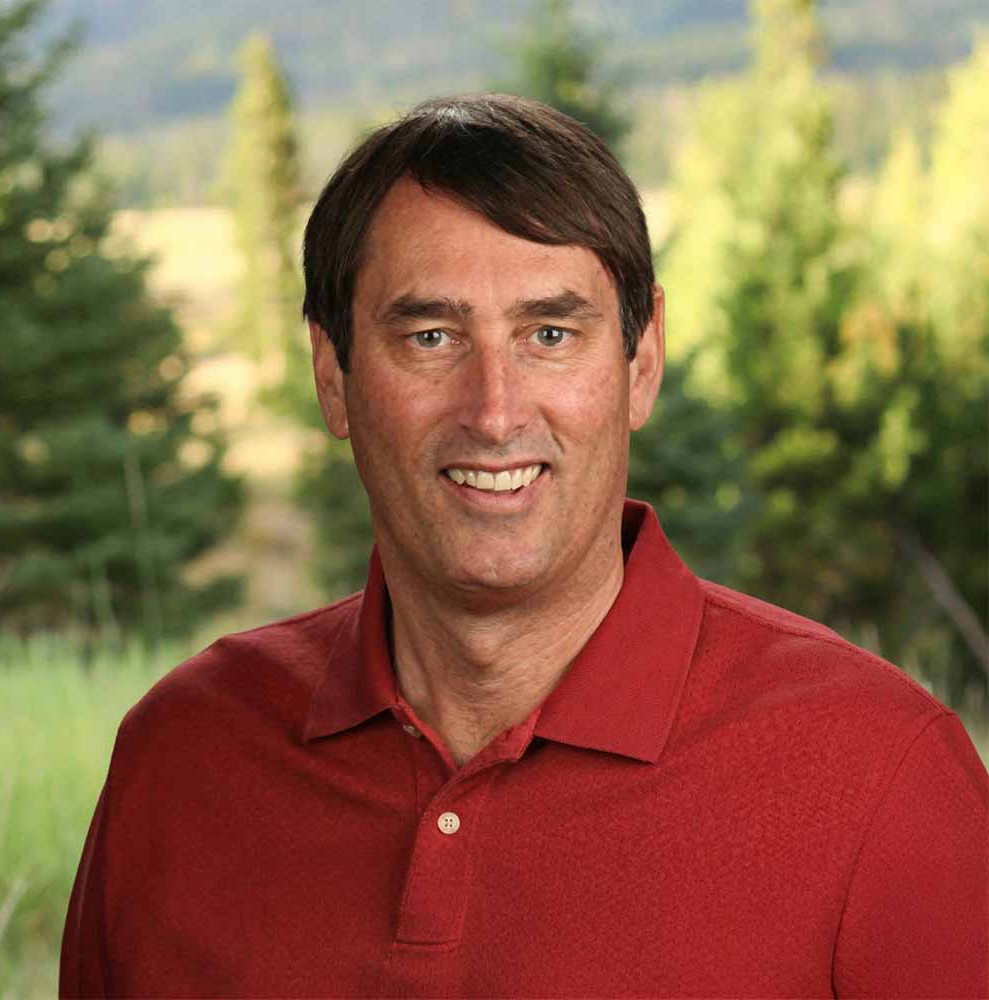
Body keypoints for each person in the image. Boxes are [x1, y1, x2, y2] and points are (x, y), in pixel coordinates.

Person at [61, 94, 987, 998]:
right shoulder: (182, 757)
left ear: (642, 361)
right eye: (431, 337)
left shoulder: (881, 779)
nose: (495, 412)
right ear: (332, 374)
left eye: (550, 333)